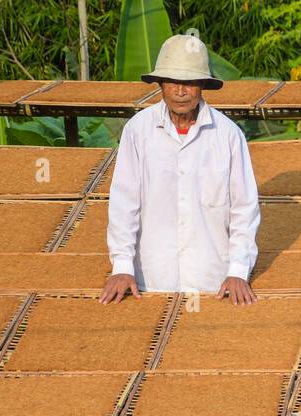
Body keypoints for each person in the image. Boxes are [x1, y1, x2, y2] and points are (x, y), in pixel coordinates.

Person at [99, 34, 259, 305]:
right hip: (150, 279)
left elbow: (244, 208)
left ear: (202, 86)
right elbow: (124, 203)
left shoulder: (228, 135)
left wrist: (238, 271)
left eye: (189, 82)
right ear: (160, 84)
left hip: (213, 280)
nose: (180, 91)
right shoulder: (138, 131)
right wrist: (122, 266)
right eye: (173, 81)